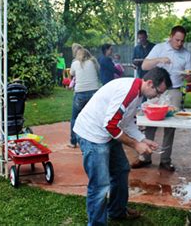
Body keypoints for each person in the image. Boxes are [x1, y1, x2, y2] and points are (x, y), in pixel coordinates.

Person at [73, 67, 172, 224]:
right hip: (92, 135)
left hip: (106, 132)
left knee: (121, 169)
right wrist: (135, 145)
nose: (158, 97)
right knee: (99, 185)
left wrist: (143, 139)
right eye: (158, 92)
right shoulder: (129, 91)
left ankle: (117, 211)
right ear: (150, 83)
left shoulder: (139, 94)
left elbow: (126, 122)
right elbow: (111, 125)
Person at [132, 25, 191, 171]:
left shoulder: (186, 54)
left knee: (170, 126)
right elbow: (145, 66)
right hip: (155, 90)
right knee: (150, 124)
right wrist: (159, 59)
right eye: (177, 40)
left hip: (174, 90)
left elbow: (190, 79)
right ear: (171, 36)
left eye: (182, 41)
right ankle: (145, 157)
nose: (179, 43)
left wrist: (188, 76)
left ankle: (165, 160)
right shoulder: (159, 48)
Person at [68, 48, 100, 148]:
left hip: (80, 93)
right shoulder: (93, 62)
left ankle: (73, 141)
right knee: (93, 117)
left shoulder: (75, 63)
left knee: (75, 118)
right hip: (94, 93)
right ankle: (95, 140)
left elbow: (72, 74)